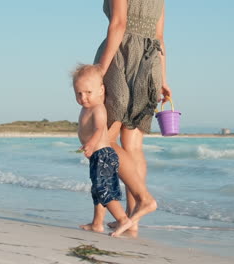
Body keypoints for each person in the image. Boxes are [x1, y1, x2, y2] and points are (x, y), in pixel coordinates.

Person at [93, 0, 171, 232]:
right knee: (133, 147)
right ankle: (132, 220)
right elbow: (160, 36)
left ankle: (101, 220)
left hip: (122, 58)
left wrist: (100, 71)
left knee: (104, 142)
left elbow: (118, 24)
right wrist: (163, 79)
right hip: (150, 64)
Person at [72, 64, 133, 237]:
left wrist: (90, 144)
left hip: (103, 155)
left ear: (101, 90)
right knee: (97, 189)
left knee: (104, 189)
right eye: (79, 93)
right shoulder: (86, 109)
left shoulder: (98, 108)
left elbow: (99, 129)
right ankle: (97, 223)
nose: (83, 97)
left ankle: (123, 219)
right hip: (97, 156)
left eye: (88, 93)